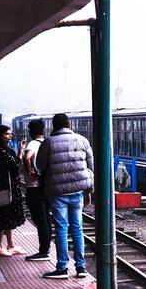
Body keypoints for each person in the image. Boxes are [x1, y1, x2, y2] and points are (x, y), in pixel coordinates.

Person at [36, 112, 94, 280]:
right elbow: (91, 167)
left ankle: (62, 267)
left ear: (53, 126)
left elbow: (39, 166)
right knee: (77, 228)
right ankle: (81, 267)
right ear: (69, 124)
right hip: (78, 191)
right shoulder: (82, 140)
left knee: (61, 228)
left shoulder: (48, 142)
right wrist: (89, 190)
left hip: (57, 192)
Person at [0, 125, 27, 256]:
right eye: (7, 134)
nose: (10, 136)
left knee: (9, 217)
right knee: (3, 217)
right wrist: (21, 152)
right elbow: (15, 167)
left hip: (9, 188)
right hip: (3, 189)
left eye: (10, 134)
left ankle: (11, 245)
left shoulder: (6, 150)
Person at [20, 118, 53, 261]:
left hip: (34, 188)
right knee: (46, 218)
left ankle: (43, 251)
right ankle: (46, 249)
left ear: (30, 132)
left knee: (40, 220)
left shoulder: (33, 144)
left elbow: (27, 158)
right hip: (46, 187)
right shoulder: (48, 143)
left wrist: (29, 173)